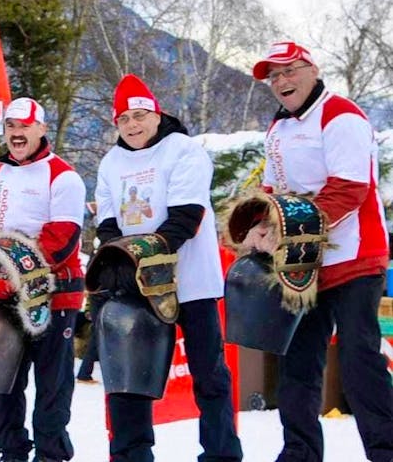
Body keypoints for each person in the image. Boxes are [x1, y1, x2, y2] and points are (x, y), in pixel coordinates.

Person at [244, 42, 393, 462]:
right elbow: (273, 191)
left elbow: (349, 189)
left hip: (354, 257)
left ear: (312, 68)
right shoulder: (278, 129)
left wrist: (287, 228)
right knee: (298, 360)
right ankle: (299, 452)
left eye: (290, 71)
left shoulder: (341, 115)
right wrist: (260, 225)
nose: (282, 82)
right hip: (304, 263)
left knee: (359, 357)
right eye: (274, 77)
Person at [94, 74, 242, 462]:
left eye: (140, 115)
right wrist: (122, 263)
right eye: (124, 119)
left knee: (208, 374)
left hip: (190, 280)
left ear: (157, 114)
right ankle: (131, 453)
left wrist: (146, 255)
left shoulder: (183, 150)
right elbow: (108, 223)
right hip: (135, 285)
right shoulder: (111, 163)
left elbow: (186, 217)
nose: (133, 125)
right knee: (130, 375)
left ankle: (221, 453)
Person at [0, 98, 86, 462]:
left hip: (54, 296)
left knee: (51, 387)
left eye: (24, 126)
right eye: (11, 126)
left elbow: (59, 240)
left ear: (41, 129)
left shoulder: (63, 176)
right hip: (4, 298)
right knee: (0, 384)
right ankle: (11, 451)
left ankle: (51, 455)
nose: (16, 133)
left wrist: (15, 276)